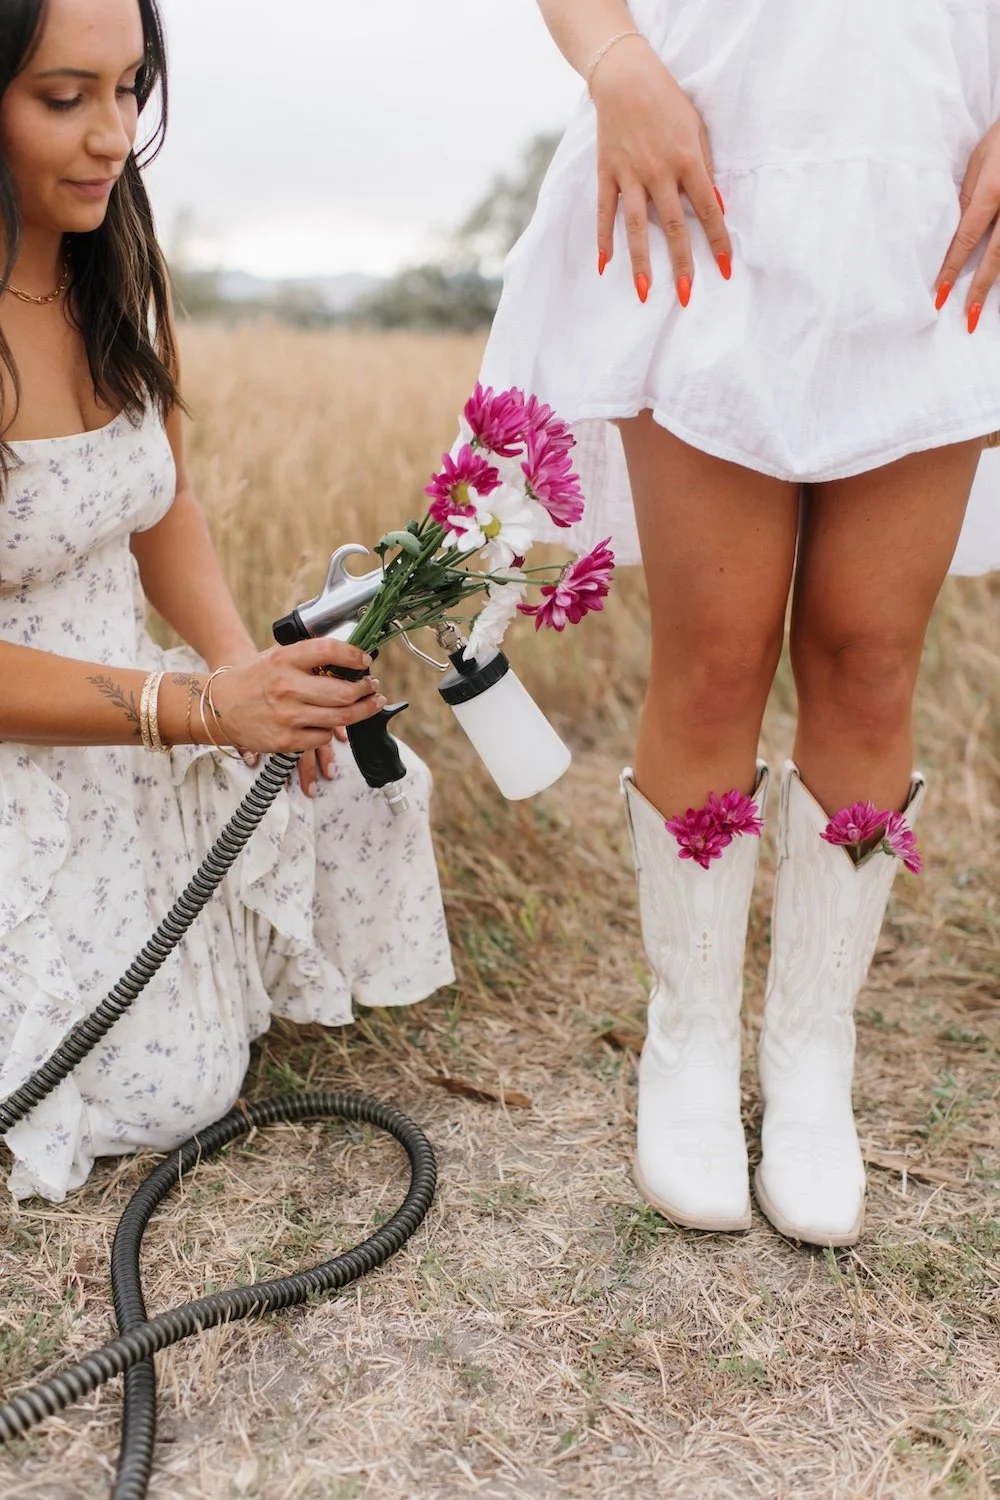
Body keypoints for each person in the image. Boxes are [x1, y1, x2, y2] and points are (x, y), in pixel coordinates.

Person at [479, 0, 1000, 1246]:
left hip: (934, 191)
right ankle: (691, 1039)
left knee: (870, 659)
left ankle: (812, 1049)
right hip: (698, 172)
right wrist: (613, 63)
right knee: (715, 656)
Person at [0, 0, 454, 1204]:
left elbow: (165, 506)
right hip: (31, 734)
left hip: (148, 697)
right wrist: (199, 707)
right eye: (64, 97)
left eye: (131, 88)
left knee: (366, 785)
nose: (114, 135)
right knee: (173, 1092)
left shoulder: (117, 280)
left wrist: (251, 671)